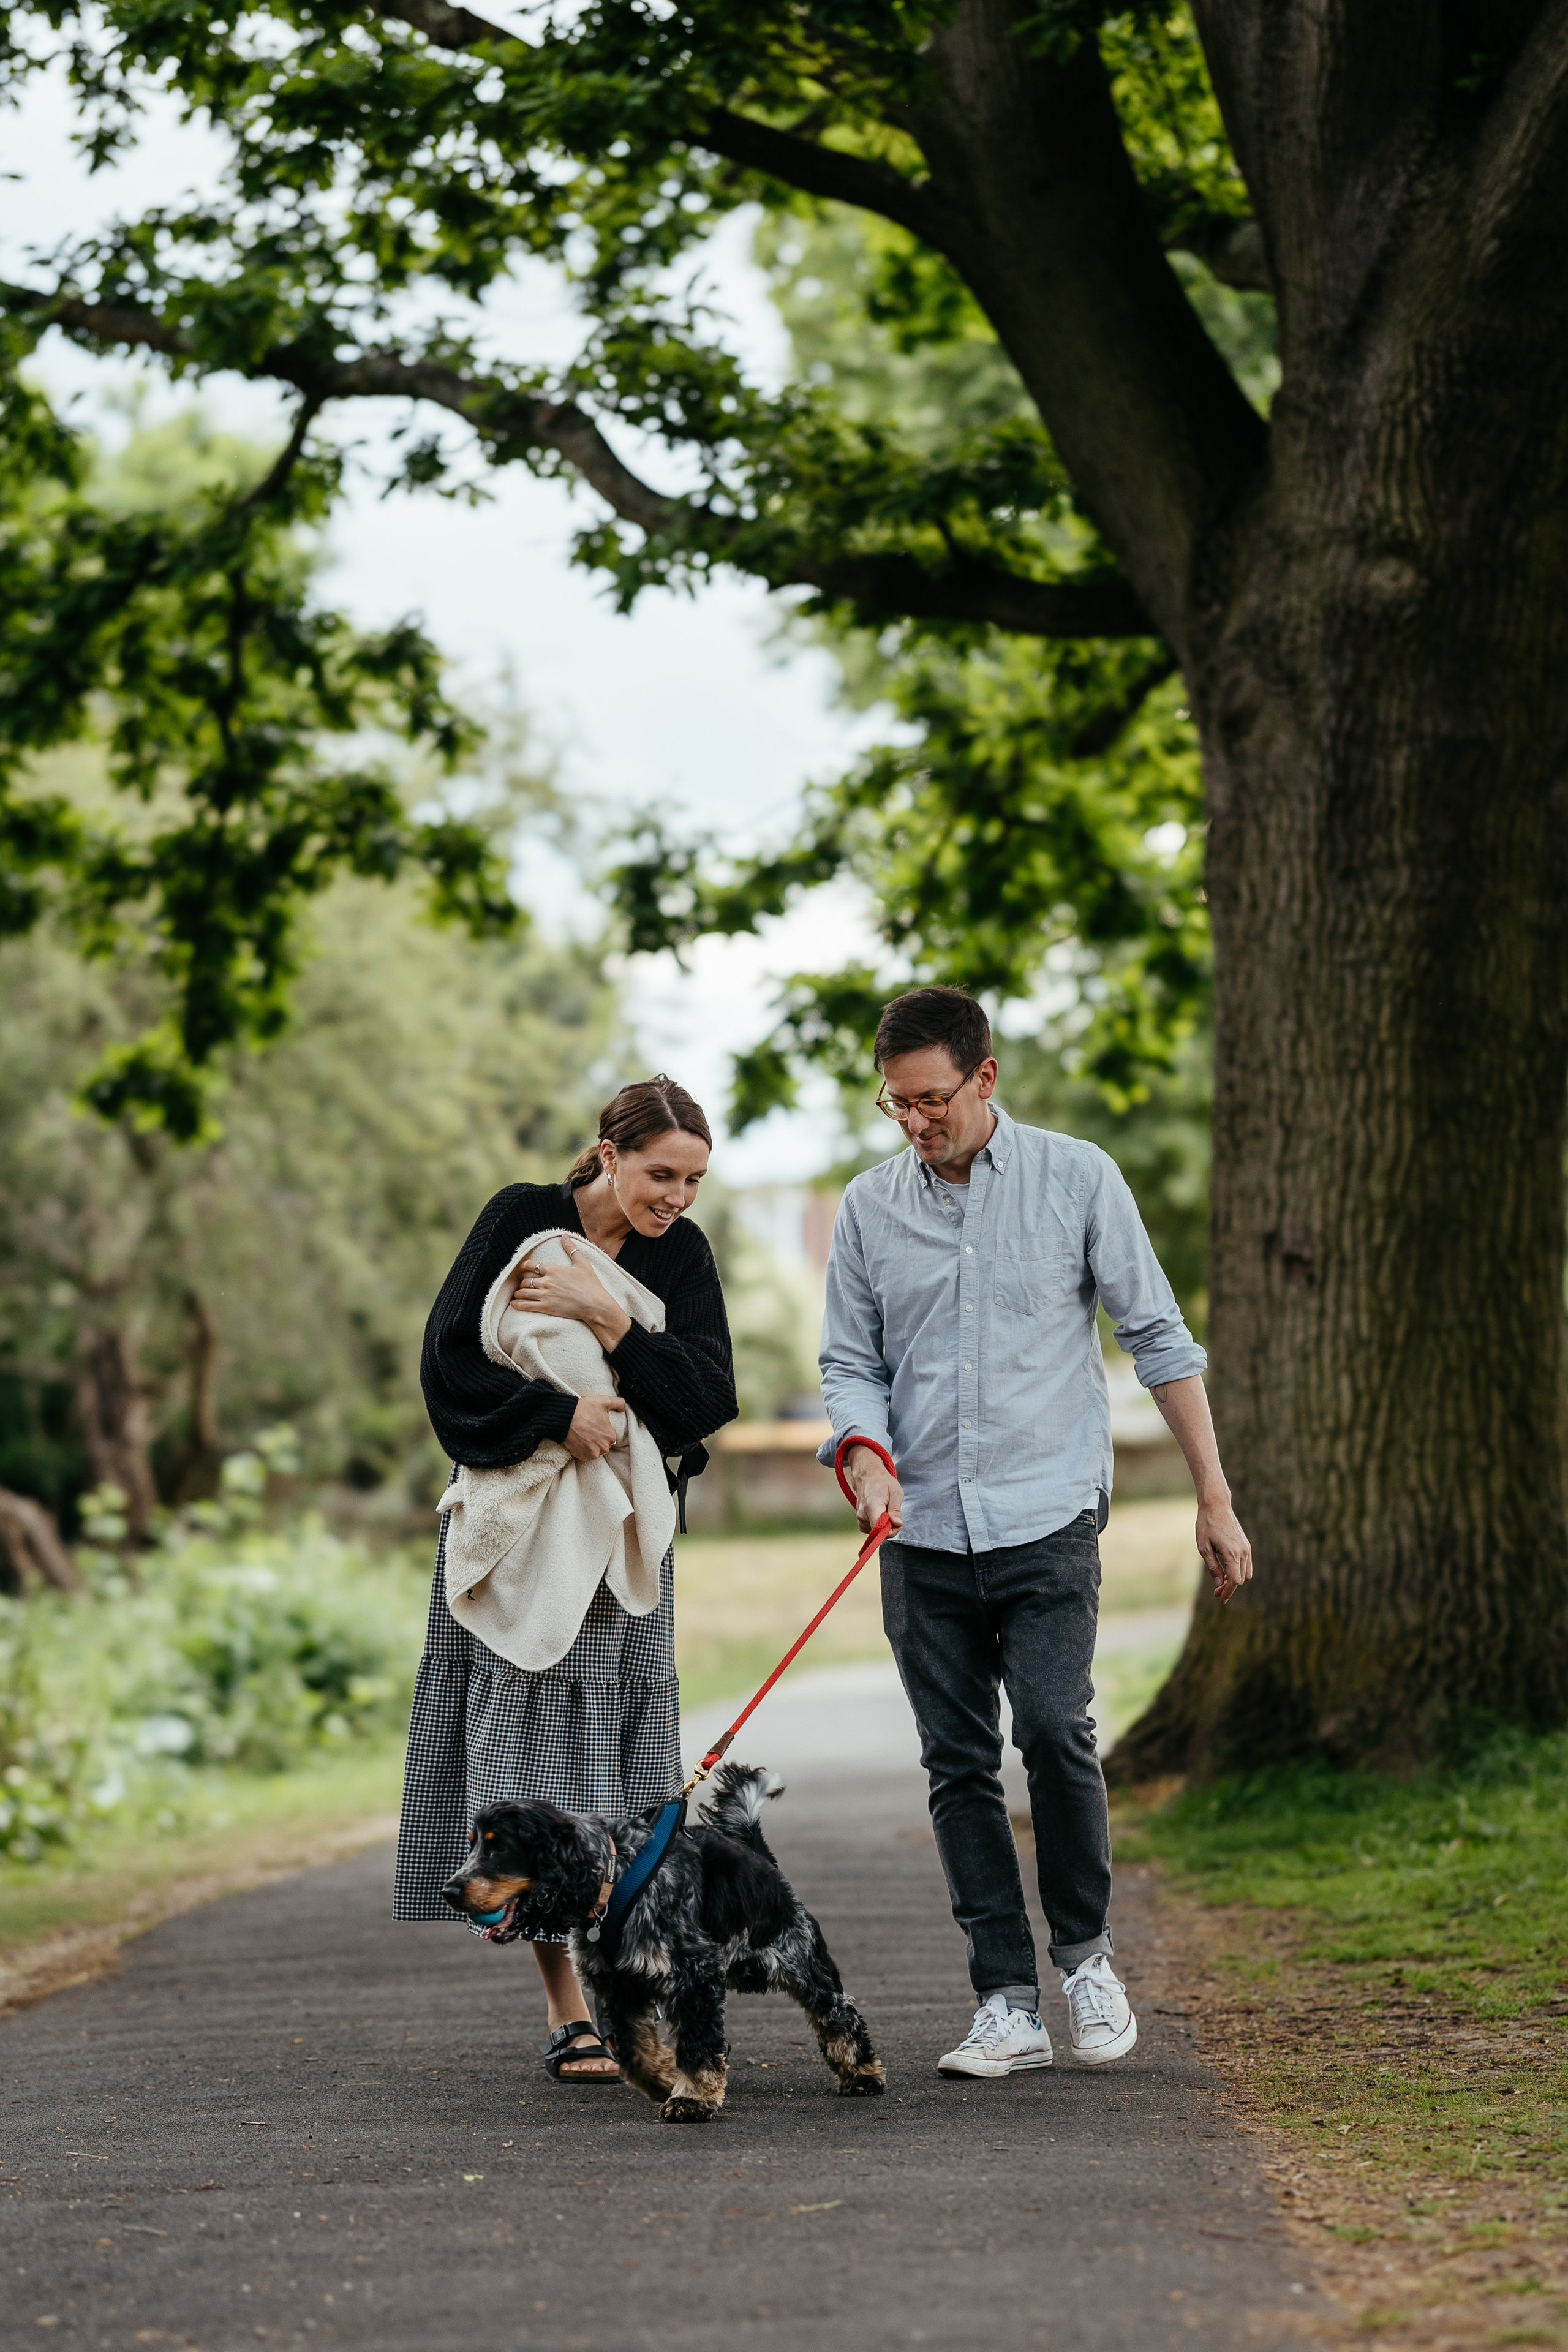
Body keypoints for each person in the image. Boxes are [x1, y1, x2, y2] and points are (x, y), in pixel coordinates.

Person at [818, 988, 1252, 2079]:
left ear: (986, 1078)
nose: (916, 1122)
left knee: (1055, 1729)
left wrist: (1215, 1494)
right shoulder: (870, 1209)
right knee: (956, 1761)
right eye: (896, 1103)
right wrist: (860, 1450)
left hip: (1047, 1514)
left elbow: (1158, 1337)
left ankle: (1088, 1963)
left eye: (933, 1099)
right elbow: (849, 1363)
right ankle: (1005, 2000)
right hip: (920, 1534)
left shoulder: (1079, 1177)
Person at [394, 1077, 737, 2082]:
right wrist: (558, 1418)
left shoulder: (682, 1256)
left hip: (623, 1539)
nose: (675, 1196)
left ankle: (642, 1988)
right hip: (523, 1532)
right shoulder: (522, 1219)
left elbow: (707, 1397)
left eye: (694, 1180)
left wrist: (610, 1320)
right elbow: (450, 1364)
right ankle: (566, 2006)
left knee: (622, 1769)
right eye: (660, 1173)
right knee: (532, 1765)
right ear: (609, 1153)